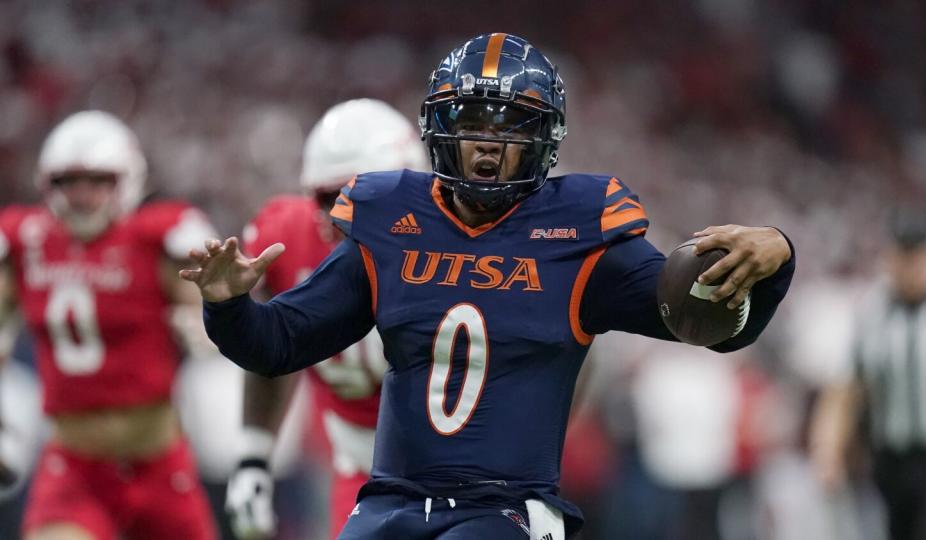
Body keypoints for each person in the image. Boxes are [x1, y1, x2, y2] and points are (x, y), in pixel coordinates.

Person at [184, 33, 795, 539]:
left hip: (508, 510)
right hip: (391, 503)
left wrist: (775, 259)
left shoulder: (580, 232)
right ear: (439, 127)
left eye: (512, 126)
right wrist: (227, 304)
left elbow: (704, 326)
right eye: (472, 121)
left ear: (545, 138)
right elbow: (278, 344)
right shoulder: (392, 220)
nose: (489, 143)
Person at [0, 110, 218, 540]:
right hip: (76, 465)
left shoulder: (153, 238)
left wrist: (204, 317)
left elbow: (202, 308)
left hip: (158, 460)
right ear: (49, 185)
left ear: (126, 182)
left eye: (97, 182)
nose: (82, 195)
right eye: (69, 183)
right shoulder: (27, 241)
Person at [225, 98, 429, 540]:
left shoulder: (459, 244)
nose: (346, 212)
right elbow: (273, 348)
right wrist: (254, 457)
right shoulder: (287, 238)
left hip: (471, 466)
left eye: (364, 192)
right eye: (331, 197)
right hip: (363, 468)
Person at [810, 208, 926, 540]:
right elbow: (846, 387)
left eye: (920, 256)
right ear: (891, 259)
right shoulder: (871, 313)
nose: (913, 267)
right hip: (890, 458)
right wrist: (828, 448)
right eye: (905, 257)